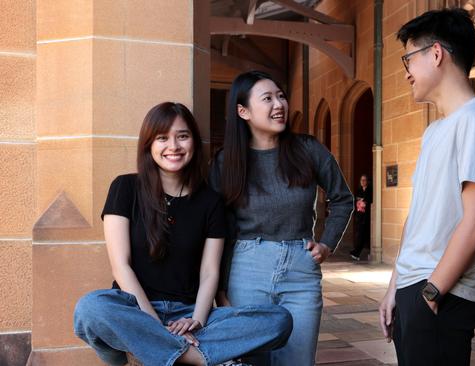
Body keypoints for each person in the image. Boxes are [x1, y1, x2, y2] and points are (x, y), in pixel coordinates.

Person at [73, 102, 292, 366]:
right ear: (149, 145)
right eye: (162, 138)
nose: (173, 146)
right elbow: (121, 266)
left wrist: (197, 319)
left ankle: (164, 354)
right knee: (90, 308)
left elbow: (210, 272)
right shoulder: (125, 187)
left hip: (188, 311)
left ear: (194, 143)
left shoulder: (210, 202)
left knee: (279, 319)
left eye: (183, 136)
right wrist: (152, 323)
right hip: (134, 310)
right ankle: (195, 357)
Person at [378, 9, 475, 366]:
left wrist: (431, 293)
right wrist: (393, 289)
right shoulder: (436, 130)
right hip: (415, 287)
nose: (406, 72)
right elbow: (417, 216)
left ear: (436, 54)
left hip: (442, 292)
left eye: (409, 58)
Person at [209, 71, 354, 366]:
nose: (279, 104)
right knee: (252, 361)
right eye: (267, 98)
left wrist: (326, 244)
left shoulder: (308, 149)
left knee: (298, 360)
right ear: (243, 111)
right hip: (245, 270)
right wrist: (219, 289)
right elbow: (217, 228)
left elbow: (343, 199)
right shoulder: (227, 161)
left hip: (301, 271)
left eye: (281, 96)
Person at [350, 174, 372, 261]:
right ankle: (356, 252)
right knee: (360, 234)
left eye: (364, 180)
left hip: (366, 216)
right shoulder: (359, 190)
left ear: (367, 181)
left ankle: (357, 252)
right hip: (359, 215)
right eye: (361, 180)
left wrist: (363, 201)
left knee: (363, 235)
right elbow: (357, 201)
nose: (363, 182)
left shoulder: (369, 190)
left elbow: (367, 201)